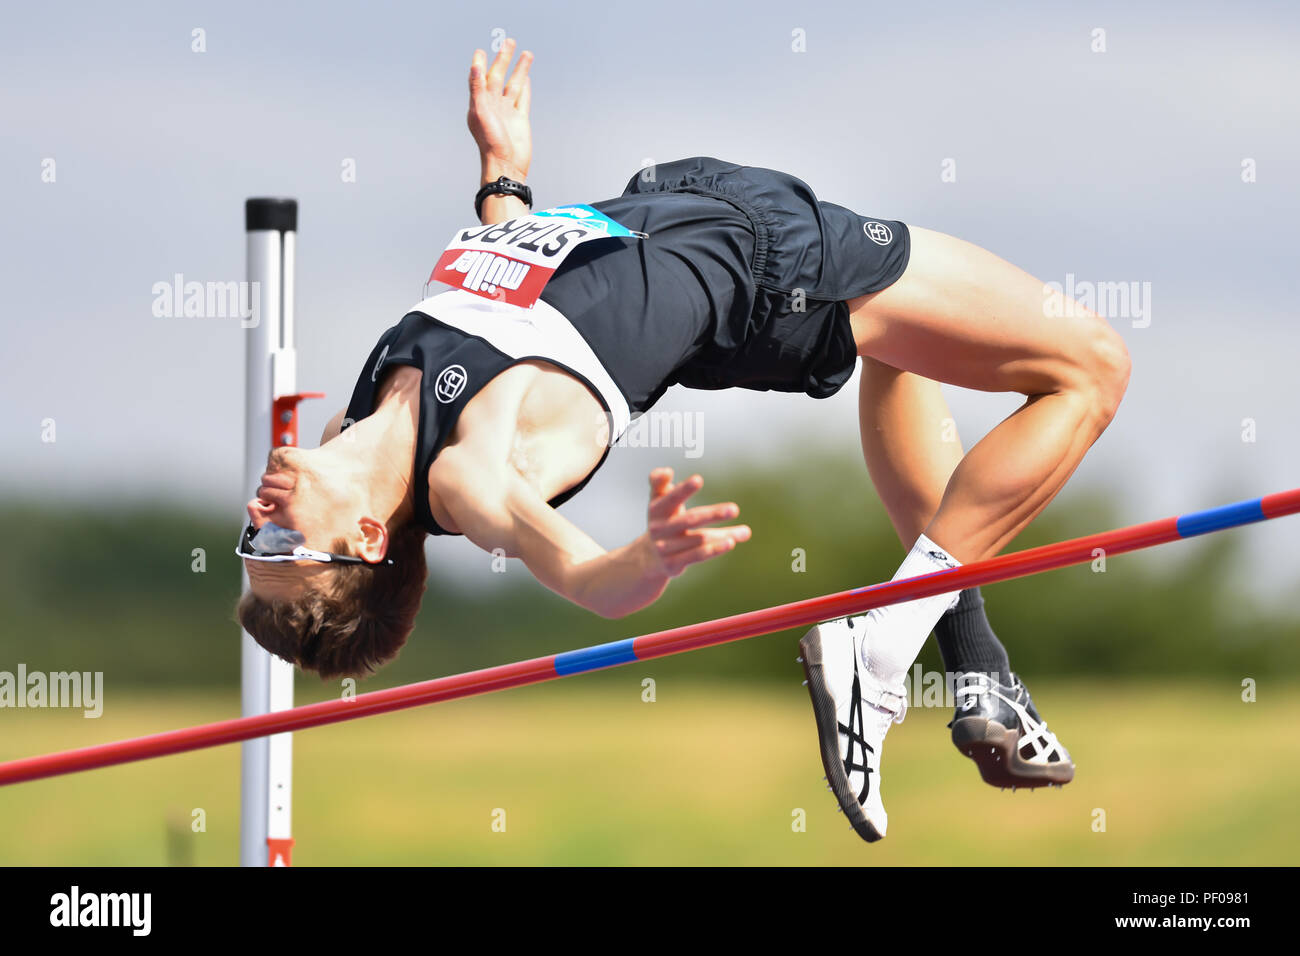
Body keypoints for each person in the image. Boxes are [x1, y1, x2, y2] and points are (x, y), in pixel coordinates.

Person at [237, 40, 1129, 842]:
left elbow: (508, 292)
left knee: (905, 352)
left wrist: (500, 175)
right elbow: (590, 580)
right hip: (767, 272)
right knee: (1089, 368)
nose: (257, 514)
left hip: (687, 204)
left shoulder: (357, 414)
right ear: (362, 540)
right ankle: (884, 646)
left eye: (251, 542)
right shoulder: (471, 477)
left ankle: (976, 668)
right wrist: (649, 557)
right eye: (279, 542)